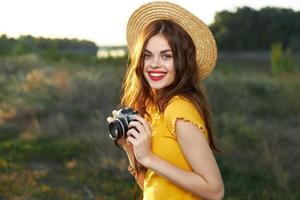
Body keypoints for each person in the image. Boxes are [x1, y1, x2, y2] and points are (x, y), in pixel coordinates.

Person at [107, 1, 224, 200]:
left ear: (181, 61)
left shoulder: (179, 110)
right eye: (147, 55)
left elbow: (215, 191)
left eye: (166, 56)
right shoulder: (153, 108)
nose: (154, 65)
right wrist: (130, 150)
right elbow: (152, 186)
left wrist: (149, 158)